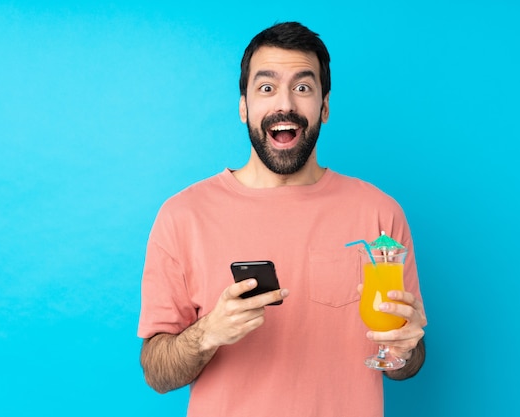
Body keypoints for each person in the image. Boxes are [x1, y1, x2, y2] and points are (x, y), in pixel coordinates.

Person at [138, 21, 426, 417]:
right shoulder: (182, 215)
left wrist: (407, 348)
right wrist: (208, 333)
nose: (285, 104)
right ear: (244, 107)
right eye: (267, 87)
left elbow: (405, 363)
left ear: (324, 107)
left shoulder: (380, 213)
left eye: (303, 87)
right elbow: (157, 373)